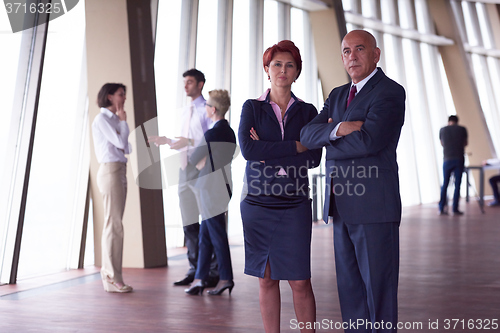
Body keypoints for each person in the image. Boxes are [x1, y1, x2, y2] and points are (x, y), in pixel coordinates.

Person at [300, 30, 405, 332]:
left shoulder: (389, 92)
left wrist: (330, 135)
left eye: (360, 49)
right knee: (350, 290)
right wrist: (343, 127)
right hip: (340, 204)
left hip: (374, 206)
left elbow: (369, 142)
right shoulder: (336, 95)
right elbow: (307, 136)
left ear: (376, 54)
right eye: (346, 51)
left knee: (378, 292)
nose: (352, 56)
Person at [238, 40, 322, 333]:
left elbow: (314, 157)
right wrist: (295, 146)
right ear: (267, 69)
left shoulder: (309, 111)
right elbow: (249, 151)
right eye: (277, 64)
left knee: (300, 279)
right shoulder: (252, 108)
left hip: (295, 202)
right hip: (258, 203)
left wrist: (269, 149)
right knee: (267, 277)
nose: (282, 70)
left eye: (289, 65)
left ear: (297, 72)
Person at [148, 69, 219, 287]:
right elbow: (186, 140)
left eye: (189, 82)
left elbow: (210, 141)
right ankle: (194, 268)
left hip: (202, 169)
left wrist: (186, 143)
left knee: (207, 220)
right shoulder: (184, 111)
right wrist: (168, 140)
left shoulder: (207, 109)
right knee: (188, 222)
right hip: (184, 168)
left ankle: (213, 271)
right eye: (184, 82)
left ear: (200, 84)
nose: (186, 86)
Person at [184, 89, 236, 296]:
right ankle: (200, 278)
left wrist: (201, 163)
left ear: (213, 109)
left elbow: (193, 158)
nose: (204, 108)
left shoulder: (212, 133)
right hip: (223, 187)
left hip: (210, 189)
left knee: (216, 234)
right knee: (206, 234)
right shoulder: (229, 131)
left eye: (206, 105)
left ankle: (225, 278)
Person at [92, 83, 133, 293]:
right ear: (109, 96)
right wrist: (124, 123)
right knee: (113, 224)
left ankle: (113, 276)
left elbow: (128, 148)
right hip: (110, 171)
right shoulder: (102, 119)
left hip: (120, 170)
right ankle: (111, 277)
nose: (124, 97)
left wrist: (122, 123)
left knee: (115, 224)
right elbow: (120, 142)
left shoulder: (116, 119)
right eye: (120, 94)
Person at [438, 115, 468, 215]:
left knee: (445, 184)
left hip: (447, 159)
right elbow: (465, 143)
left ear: (449, 121)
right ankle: (455, 209)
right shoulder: (462, 129)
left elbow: (442, 143)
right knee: (457, 184)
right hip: (459, 159)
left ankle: (441, 208)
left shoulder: (442, 129)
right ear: (457, 121)